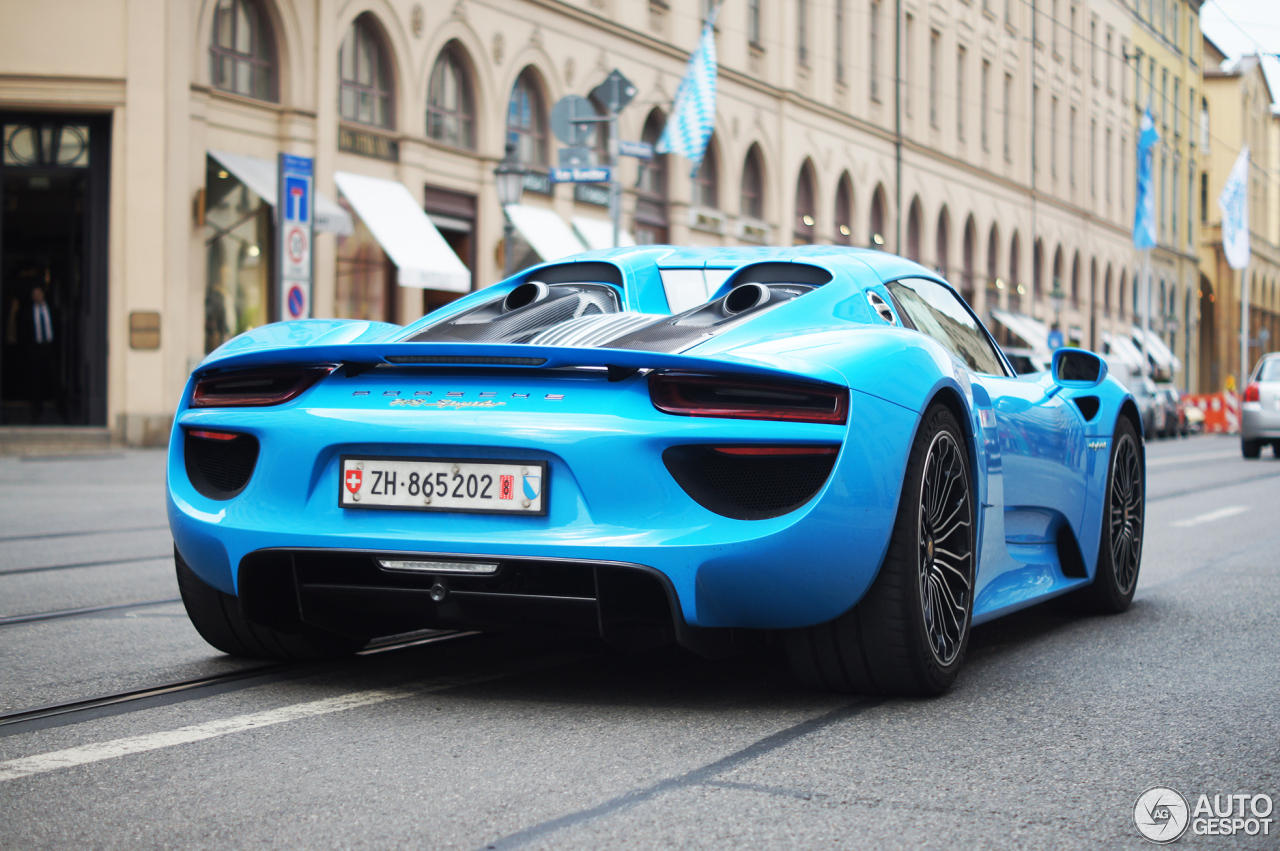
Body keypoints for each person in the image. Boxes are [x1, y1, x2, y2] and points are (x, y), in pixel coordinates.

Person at [17, 285, 59, 423]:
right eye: (34, 294)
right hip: (35, 349)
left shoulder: (52, 309)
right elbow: (23, 332)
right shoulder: (27, 312)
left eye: (39, 294)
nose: (37, 297)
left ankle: (61, 409)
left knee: (54, 377)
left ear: (43, 294)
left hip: (50, 348)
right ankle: (36, 411)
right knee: (36, 380)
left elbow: (58, 328)